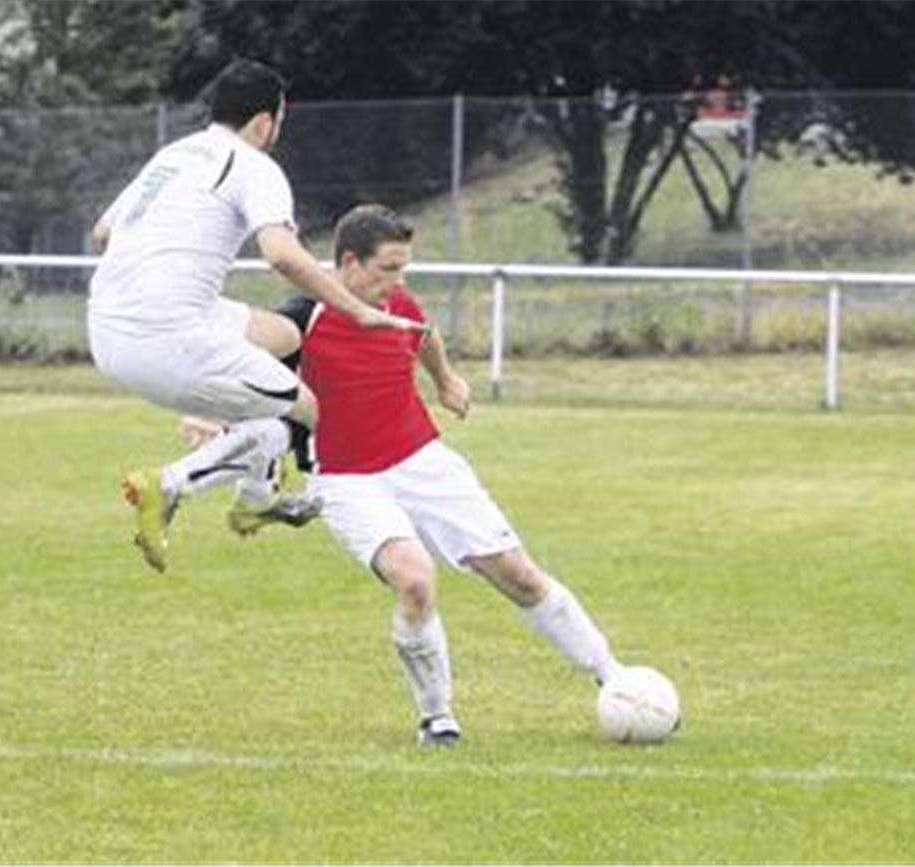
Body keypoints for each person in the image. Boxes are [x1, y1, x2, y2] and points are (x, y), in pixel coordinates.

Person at [187, 204, 623, 746]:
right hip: (345, 480)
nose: (399, 282)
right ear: (349, 262)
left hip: (424, 461)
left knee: (520, 575)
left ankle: (616, 679)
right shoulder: (303, 319)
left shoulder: (398, 304)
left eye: (403, 269)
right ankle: (437, 717)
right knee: (415, 580)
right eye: (389, 268)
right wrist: (203, 414)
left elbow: (423, 335)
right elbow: (233, 361)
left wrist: (445, 381)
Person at [87, 59, 421, 573]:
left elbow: (102, 231)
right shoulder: (254, 166)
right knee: (305, 410)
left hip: (107, 324)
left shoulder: (173, 156)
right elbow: (282, 255)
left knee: (284, 336)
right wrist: (355, 309)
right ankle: (173, 485)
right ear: (264, 123)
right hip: (165, 336)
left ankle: (252, 488)